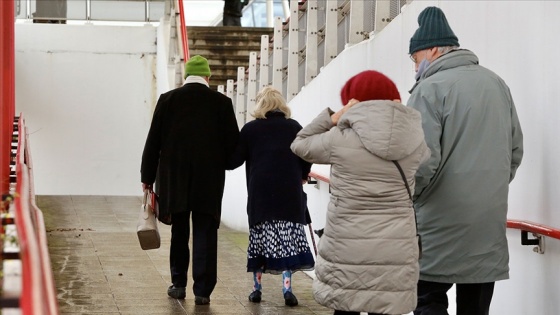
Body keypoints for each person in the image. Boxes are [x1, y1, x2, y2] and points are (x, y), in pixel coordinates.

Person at [406, 6, 524, 315]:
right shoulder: (497, 84)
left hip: (436, 227)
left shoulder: (428, 89)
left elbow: (421, 162)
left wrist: (409, 199)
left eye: (415, 58)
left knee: (427, 302)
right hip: (487, 226)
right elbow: (515, 152)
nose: (415, 66)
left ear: (431, 49)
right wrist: (488, 187)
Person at [291, 70, 430, 315]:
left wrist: (333, 117)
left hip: (347, 246)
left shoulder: (339, 139)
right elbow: (426, 162)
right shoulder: (415, 139)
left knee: (346, 307)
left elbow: (300, 143)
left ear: (352, 102)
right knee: (386, 307)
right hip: (394, 248)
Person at [140, 55, 239, 305]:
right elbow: (234, 148)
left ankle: (178, 284)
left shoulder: (168, 100)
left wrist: (147, 177)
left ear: (186, 76)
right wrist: (224, 164)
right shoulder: (221, 103)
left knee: (179, 230)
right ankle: (203, 291)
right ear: (207, 77)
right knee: (206, 231)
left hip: (174, 178)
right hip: (209, 181)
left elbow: (153, 142)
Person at [228, 86, 315, 307]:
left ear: (261, 105)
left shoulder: (250, 129)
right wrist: (303, 175)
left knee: (259, 238)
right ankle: (287, 290)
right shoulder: (294, 127)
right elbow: (306, 154)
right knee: (286, 240)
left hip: (261, 194)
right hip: (289, 193)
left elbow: (233, 160)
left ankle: (256, 289)